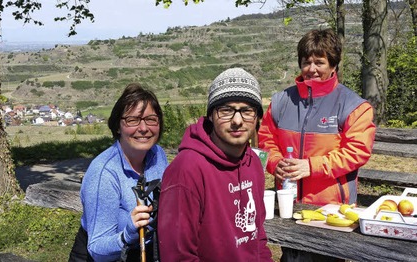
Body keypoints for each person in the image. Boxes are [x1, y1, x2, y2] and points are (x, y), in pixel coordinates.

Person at [257, 28, 375, 261]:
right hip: (288, 204)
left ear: (334, 65)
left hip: (330, 210)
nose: (311, 69)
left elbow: (357, 152)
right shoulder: (281, 101)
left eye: (319, 62)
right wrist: (275, 163)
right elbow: (266, 140)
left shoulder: (354, 106)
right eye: (306, 62)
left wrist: (312, 166)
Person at [158, 68, 273, 261]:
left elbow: (257, 237)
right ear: (211, 115)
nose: (237, 121)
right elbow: (178, 256)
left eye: (247, 111)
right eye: (226, 110)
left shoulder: (252, 161)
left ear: (257, 117)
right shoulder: (187, 169)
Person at [69, 83, 168, 262]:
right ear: (117, 126)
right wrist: (128, 233)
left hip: (144, 251)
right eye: (133, 120)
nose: (144, 128)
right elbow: (97, 250)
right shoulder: (104, 173)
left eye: (151, 119)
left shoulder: (158, 155)